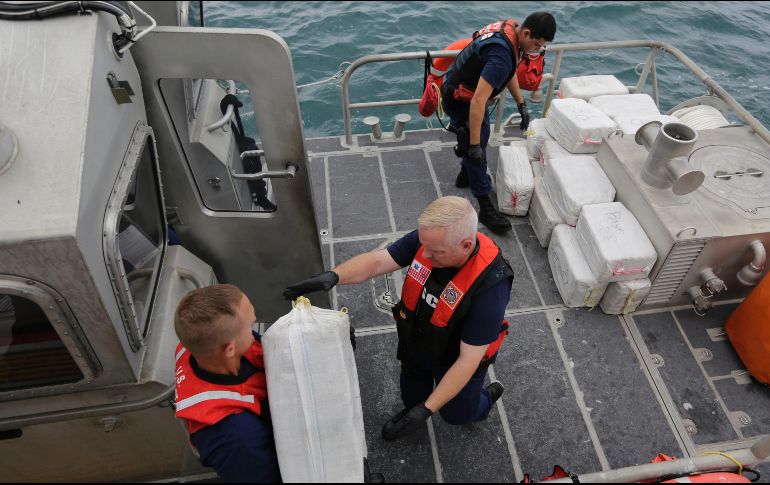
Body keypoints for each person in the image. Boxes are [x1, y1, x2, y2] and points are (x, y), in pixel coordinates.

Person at [283, 196, 514, 440]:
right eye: (423, 246)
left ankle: (485, 399)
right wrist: (333, 276)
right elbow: (377, 262)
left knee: (456, 414)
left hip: (454, 358)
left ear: (466, 246)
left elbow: (467, 362)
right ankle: (413, 407)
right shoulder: (432, 241)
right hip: (417, 340)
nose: (423, 254)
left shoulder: (491, 289)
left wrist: (427, 410)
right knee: (412, 394)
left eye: (435, 252)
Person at [442, 12, 556, 234]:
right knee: (477, 150)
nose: (536, 50)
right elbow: (478, 101)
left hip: (462, 92)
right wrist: (475, 146)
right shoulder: (501, 54)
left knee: (474, 146)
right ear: (527, 33)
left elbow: (509, 70)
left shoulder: (510, 30)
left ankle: (465, 175)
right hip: (463, 101)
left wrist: (521, 104)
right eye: (536, 44)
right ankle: (485, 207)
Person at [173, 284, 281, 483]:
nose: (254, 326)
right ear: (230, 349)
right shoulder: (237, 440)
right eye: (250, 325)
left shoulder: (199, 343)